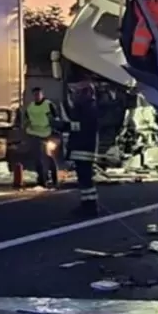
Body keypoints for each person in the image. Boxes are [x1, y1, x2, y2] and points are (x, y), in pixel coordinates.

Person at [65, 83, 101, 216]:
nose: (74, 95)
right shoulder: (86, 107)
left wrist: (64, 125)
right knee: (83, 179)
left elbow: (81, 126)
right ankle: (87, 204)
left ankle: (90, 206)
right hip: (81, 147)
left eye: (77, 92)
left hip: (84, 148)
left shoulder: (88, 108)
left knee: (85, 178)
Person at [22, 87, 62, 189]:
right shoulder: (31, 107)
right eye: (35, 94)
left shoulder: (48, 105)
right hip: (35, 134)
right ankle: (42, 180)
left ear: (42, 94)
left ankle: (54, 180)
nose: (37, 96)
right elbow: (26, 119)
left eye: (38, 94)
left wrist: (55, 132)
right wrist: (26, 128)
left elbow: (56, 119)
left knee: (49, 157)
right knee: (38, 158)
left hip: (48, 134)